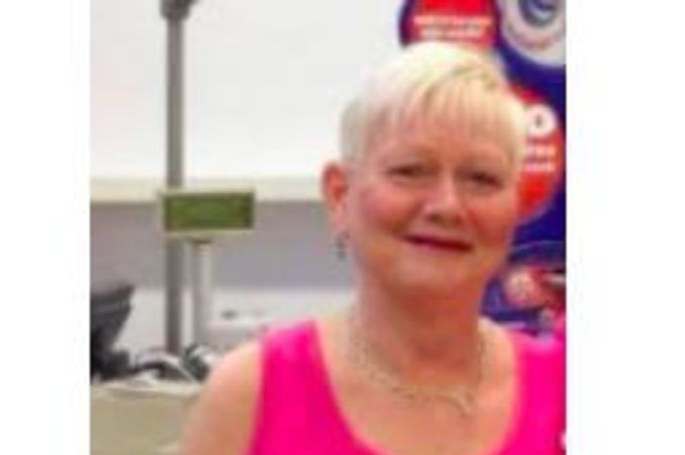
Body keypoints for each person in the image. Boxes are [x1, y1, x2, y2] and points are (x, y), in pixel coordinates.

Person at [181, 41, 565, 455]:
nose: (447, 206)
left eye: (481, 178)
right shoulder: (251, 396)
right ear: (340, 195)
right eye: (411, 171)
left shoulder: (566, 390)